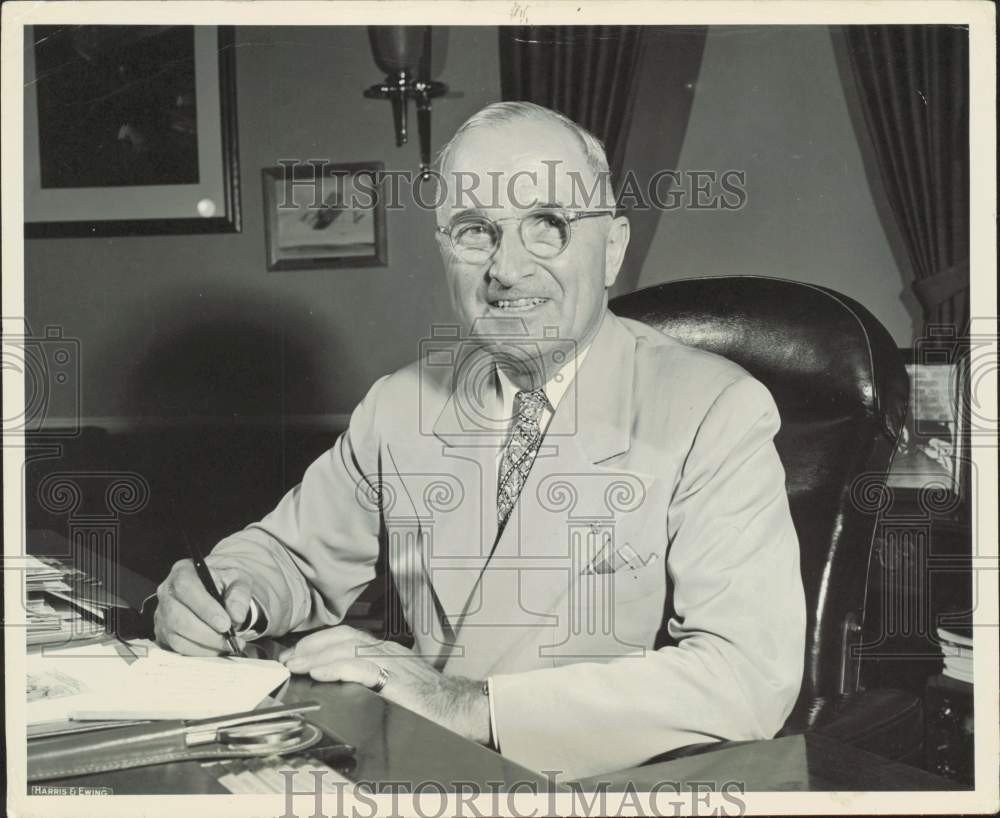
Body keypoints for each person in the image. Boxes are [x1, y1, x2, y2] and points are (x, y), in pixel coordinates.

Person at [155, 101, 806, 781]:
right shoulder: (402, 403)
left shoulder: (713, 410)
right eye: (475, 232)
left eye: (547, 227)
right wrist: (224, 590)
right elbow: (291, 555)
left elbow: (746, 675)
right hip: (416, 775)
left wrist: (471, 706)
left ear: (613, 248)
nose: (506, 268)